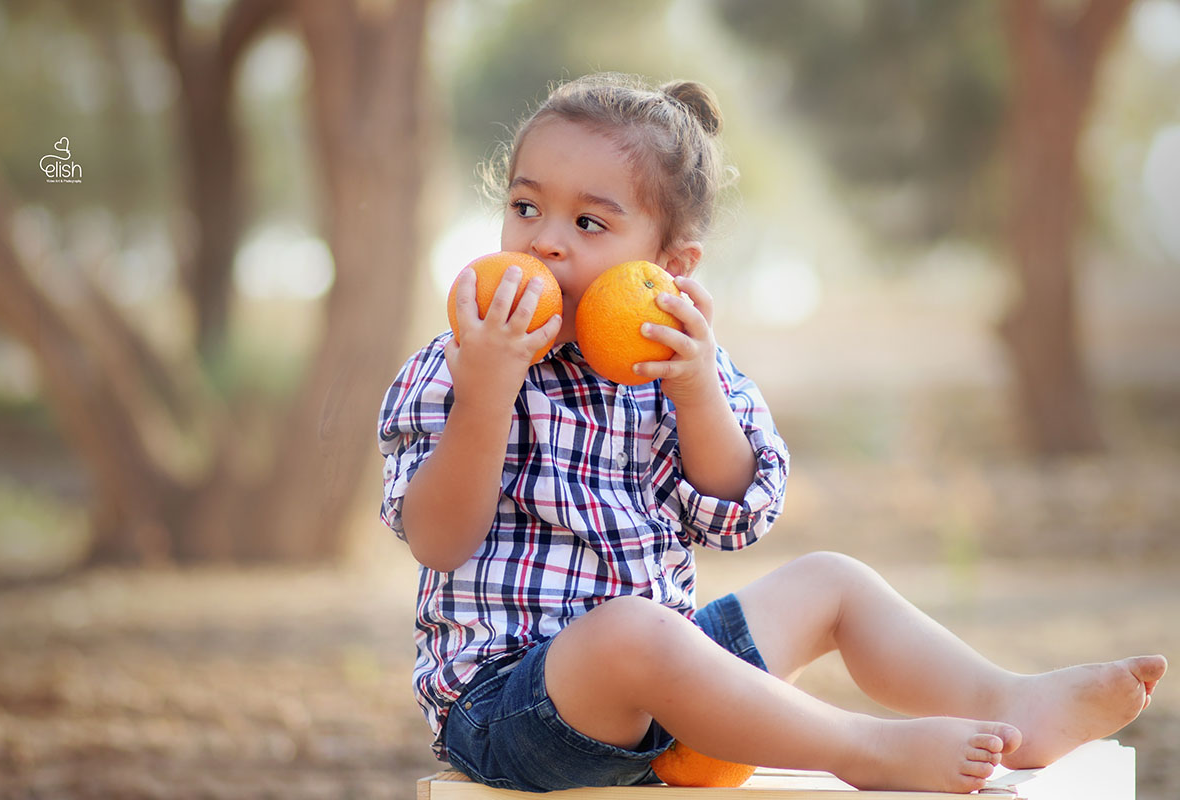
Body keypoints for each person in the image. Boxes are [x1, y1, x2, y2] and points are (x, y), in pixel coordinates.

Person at [377, 73, 1166, 794]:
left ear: (671, 269)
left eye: (588, 221)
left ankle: (1011, 706)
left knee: (831, 580)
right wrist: (487, 397)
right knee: (630, 631)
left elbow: (735, 513)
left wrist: (693, 389)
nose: (545, 240)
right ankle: (865, 750)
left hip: (671, 691)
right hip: (509, 712)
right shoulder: (456, 366)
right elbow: (439, 542)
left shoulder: (682, 369)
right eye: (525, 208)